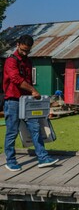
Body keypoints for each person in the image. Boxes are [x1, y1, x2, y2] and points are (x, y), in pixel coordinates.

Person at [3, 35, 59, 172]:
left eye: (27, 51)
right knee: (12, 131)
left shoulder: (28, 61)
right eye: (23, 50)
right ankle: (10, 161)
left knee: (35, 128)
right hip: (13, 101)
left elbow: (28, 80)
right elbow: (16, 79)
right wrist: (34, 90)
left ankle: (43, 158)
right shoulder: (11, 61)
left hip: (27, 101)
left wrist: (32, 93)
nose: (25, 53)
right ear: (18, 44)